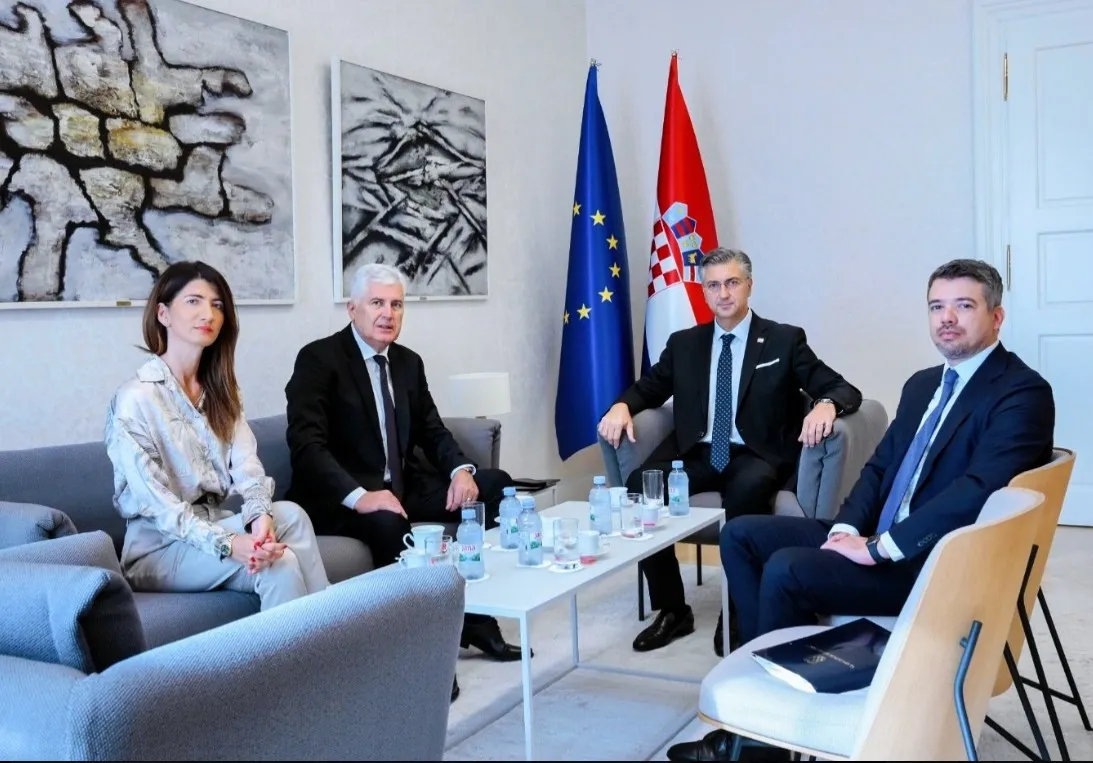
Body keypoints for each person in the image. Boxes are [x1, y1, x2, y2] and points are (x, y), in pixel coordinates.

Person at [666, 258, 1055, 763]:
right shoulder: (923, 384)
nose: (947, 318)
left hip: (930, 563)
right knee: (741, 535)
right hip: (879, 535)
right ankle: (766, 710)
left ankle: (760, 748)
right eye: (936, 306)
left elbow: (978, 491)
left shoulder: (1022, 392)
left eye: (964, 306)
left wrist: (879, 548)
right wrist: (847, 528)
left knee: (787, 569)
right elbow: (880, 467)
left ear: (996, 317)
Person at [599, 247, 862, 656]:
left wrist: (827, 404)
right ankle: (672, 609)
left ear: (749, 286)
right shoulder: (685, 343)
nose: (723, 294)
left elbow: (842, 387)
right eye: (713, 285)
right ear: (704, 291)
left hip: (756, 454)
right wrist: (621, 406)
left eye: (732, 283)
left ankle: (738, 609)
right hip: (698, 452)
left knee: (750, 488)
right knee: (639, 487)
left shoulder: (784, 339)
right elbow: (649, 389)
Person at [283, 262, 527, 702]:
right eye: (377, 303)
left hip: (402, 487)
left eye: (396, 305)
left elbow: (433, 430)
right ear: (352, 308)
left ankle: (476, 618)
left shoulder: (408, 363)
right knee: (390, 525)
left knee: (495, 486)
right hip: (342, 500)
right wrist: (360, 497)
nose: (387, 314)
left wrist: (460, 471)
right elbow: (307, 448)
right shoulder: (319, 360)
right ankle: (425, 654)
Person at [105, 261, 330, 612]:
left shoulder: (222, 393)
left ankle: (334, 632)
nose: (208, 313)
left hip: (216, 523)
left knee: (290, 522)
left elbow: (247, 468)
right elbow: (159, 508)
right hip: (157, 548)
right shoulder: (136, 398)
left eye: (217, 304)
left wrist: (260, 521)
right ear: (163, 314)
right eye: (193, 301)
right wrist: (229, 544)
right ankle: (325, 641)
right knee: (278, 561)